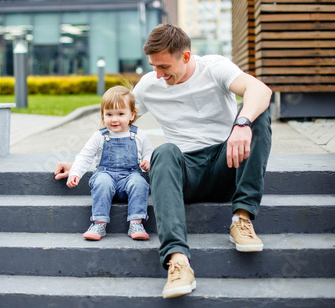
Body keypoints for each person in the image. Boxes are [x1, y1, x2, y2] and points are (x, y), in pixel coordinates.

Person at [55, 24, 272, 299]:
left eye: (163, 66)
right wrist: (77, 164)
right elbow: (117, 119)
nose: (157, 74)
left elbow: (260, 90)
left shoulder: (214, 67)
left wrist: (242, 124)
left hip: (225, 163)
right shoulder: (150, 84)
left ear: (185, 56)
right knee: (164, 150)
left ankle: (241, 219)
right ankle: (178, 262)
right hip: (185, 174)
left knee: (257, 113)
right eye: (153, 66)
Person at [65, 85, 154, 241]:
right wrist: (75, 173)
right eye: (109, 114)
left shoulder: (138, 134)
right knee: (102, 182)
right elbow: (85, 156)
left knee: (140, 184)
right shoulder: (99, 136)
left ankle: (136, 222)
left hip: (130, 175)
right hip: (106, 173)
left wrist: (147, 160)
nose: (114, 119)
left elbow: (149, 152)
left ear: (132, 115)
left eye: (120, 114)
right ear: (103, 115)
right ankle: (99, 223)